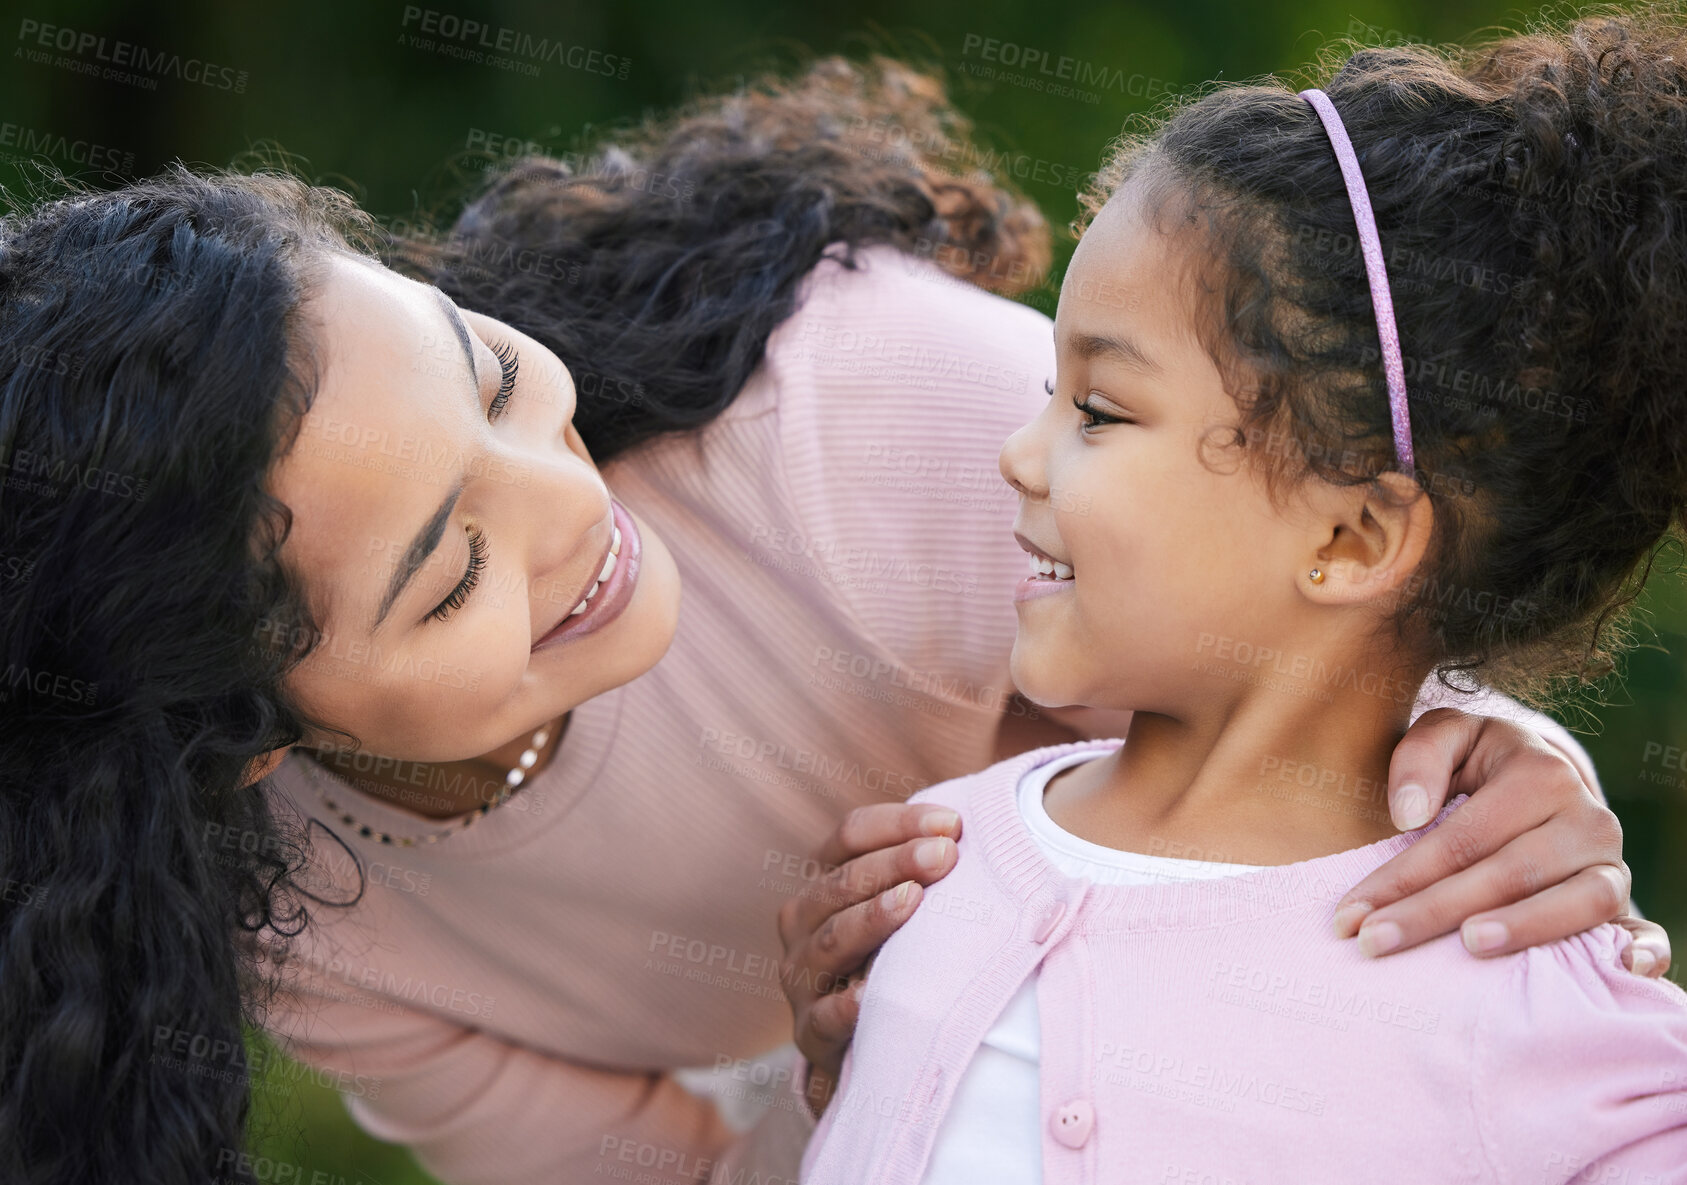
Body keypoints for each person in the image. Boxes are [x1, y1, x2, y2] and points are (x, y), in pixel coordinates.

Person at [0, 56, 1662, 1185]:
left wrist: (1481, 756)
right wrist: (853, 1074)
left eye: (491, 375)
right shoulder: (314, 934)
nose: (570, 508)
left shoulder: (868, 415)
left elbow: (1309, 562)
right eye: (448, 576)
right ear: (245, 740)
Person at [801, 13, 1687, 1183]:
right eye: (1047, 391)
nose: (1019, 455)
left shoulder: (1543, 1007)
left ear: (1349, 536)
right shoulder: (932, 866)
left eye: (1100, 412)